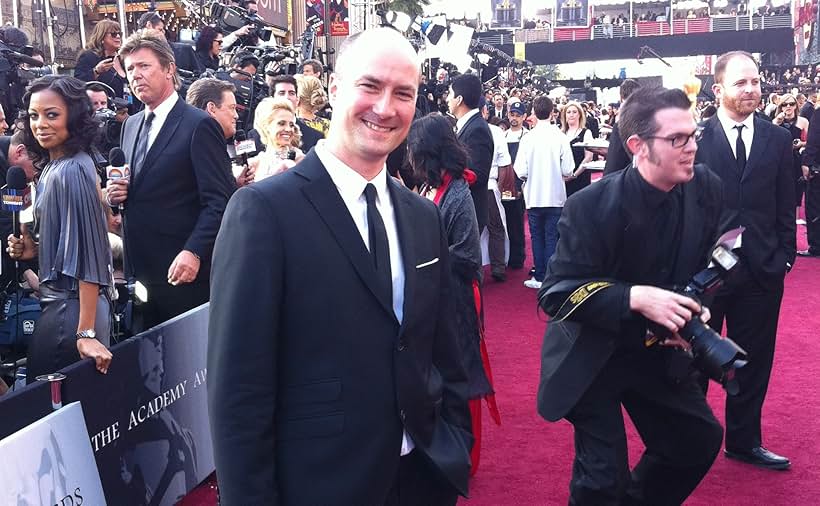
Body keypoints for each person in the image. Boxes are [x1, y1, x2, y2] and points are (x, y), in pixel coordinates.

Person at [208, 27, 472, 506]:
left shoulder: (422, 216)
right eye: (370, 86)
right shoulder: (263, 212)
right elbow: (238, 392)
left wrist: (454, 439)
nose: (386, 107)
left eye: (403, 93)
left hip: (421, 479)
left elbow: (443, 347)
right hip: (318, 485)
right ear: (334, 89)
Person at [537, 87, 725, 505]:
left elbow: (709, 260)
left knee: (698, 440)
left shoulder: (705, 187)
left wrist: (692, 309)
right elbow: (555, 295)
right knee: (602, 480)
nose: (692, 147)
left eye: (694, 135)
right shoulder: (589, 206)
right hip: (591, 355)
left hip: (655, 351)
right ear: (637, 146)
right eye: (677, 139)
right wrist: (633, 298)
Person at [696, 51, 795, 470]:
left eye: (755, 81)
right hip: (706, 273)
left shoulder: (777, 139)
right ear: (718, 89)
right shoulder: (696, 139)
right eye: (741, 83)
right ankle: (689, 440)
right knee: (694, 361)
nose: (751, 89)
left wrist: (784, 257)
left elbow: (786, 203)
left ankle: (744, 440)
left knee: (753, 361)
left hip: (762, 270)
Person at [107, 30, 236, 331]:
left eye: (144, 66)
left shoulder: (199, 124)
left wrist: (194, 251)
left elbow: (220, 201)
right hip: (139, 273)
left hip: (185, 276)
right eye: (130, 69)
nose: (136, 75)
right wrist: (119, 193)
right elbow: (144, 189)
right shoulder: (131, 125)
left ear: (169, 69)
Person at [408, 113, 499, 476]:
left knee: (463, 377)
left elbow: (467, 257)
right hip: (441, 295)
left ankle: (465, 456)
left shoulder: (458, 191)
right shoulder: (436, 187)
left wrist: (425, 256)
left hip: (459, 298)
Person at [6, 75, 114, 382]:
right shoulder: (57, 166)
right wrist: (33, 249)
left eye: (52, 114)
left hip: (72, 315)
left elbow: (89, 255)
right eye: (34, 116)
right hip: (66, 310)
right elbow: (65, 242)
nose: (41, 124)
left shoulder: (72, 170)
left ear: (75, 117)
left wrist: (86, 332)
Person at [514, 96, 574, 289]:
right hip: (555, 195)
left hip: (534, 196)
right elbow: (568, 169)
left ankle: (540, 276)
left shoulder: (528, 138)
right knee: (552, 237)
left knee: (537, 237)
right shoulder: (561, 137)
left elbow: (520, 170)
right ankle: (550, 276)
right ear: (552, 112)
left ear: (533, 111)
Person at [448, 74, 493, 235]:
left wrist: (447, 171)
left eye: (450, 94)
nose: (447, 99)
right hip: (464, 210)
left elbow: (478, 175)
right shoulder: (467, 125)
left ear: (459, 99)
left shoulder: (477, 129)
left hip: (470, 210)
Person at [249, 97, 304, 181]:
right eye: (281, 123)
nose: (289, 129)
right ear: (266, 126)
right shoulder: (255, 163)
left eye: (291, 125)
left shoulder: (301, 160)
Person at [772, 93, 809, 214]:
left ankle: (797, 216)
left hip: (797, 158)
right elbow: (769, 141)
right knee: (781, 187)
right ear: (780, 106)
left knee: (797, 187)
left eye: (791, 104)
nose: (788, 106)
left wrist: (801, 144)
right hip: (779, 160)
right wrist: (776, 123)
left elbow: (810, 142)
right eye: (784, 104)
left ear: (796, 106)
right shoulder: (776, 121)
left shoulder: (803, 121)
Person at [267, 74, 323, 151]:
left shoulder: (315, 137)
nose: (287, 97)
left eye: (291, 93)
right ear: (272, 99)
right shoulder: (255, 135)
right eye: (281, 93)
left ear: (297, 100)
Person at [74, 20, 128, 99]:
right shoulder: (89, 56)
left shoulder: (123, 58)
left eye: (120, 34)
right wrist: (96, 71)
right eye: (113, 34)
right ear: (102, 37)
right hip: (103, 108)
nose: (118, 37)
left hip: (129, 109)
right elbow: (77, 83)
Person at [503, 101, 528, 270]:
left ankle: (518, 257)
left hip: (520, 184)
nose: (514, 118)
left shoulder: (527, 136)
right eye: (512, 114)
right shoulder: (503, 136)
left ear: (524, 117)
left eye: (518, 115)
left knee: (517, 222)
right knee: (505, 222)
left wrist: (520, 186)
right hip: (505, 182)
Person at [603, 78, 641, 175]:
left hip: (626, 177)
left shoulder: (621, 123)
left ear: (621, 96)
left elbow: (614, 162)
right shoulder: (651, 120)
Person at [561, 100, 594, 197]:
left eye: (574, 112)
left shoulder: (586, 133)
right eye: (569, 112)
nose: (571, 115)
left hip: (580, 178)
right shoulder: (560, 134)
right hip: (563, 180)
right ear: (565, 116)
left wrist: (574, 175)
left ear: (579, 115)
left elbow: (589, 157)